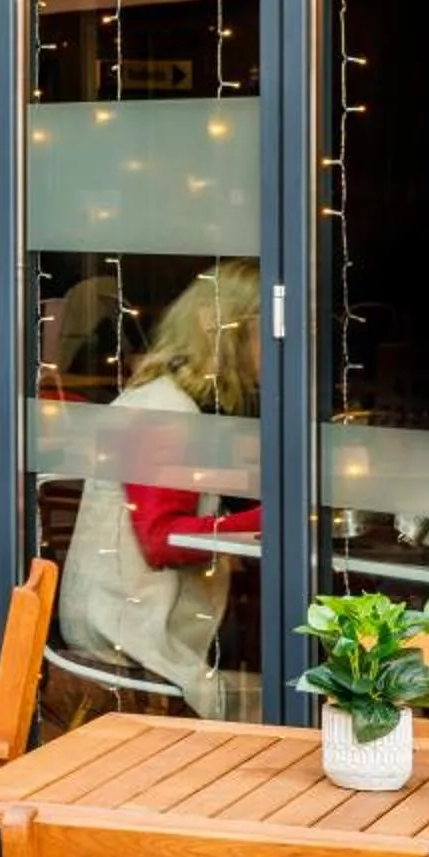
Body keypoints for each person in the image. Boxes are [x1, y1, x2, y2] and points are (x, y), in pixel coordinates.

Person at [59, 258, 262, 719]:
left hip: (120, 610)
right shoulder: (165, 412)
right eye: (263, 329)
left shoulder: (165, 400)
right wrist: (281, 516)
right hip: (125, 625)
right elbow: (161, 540)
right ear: (224, 330)